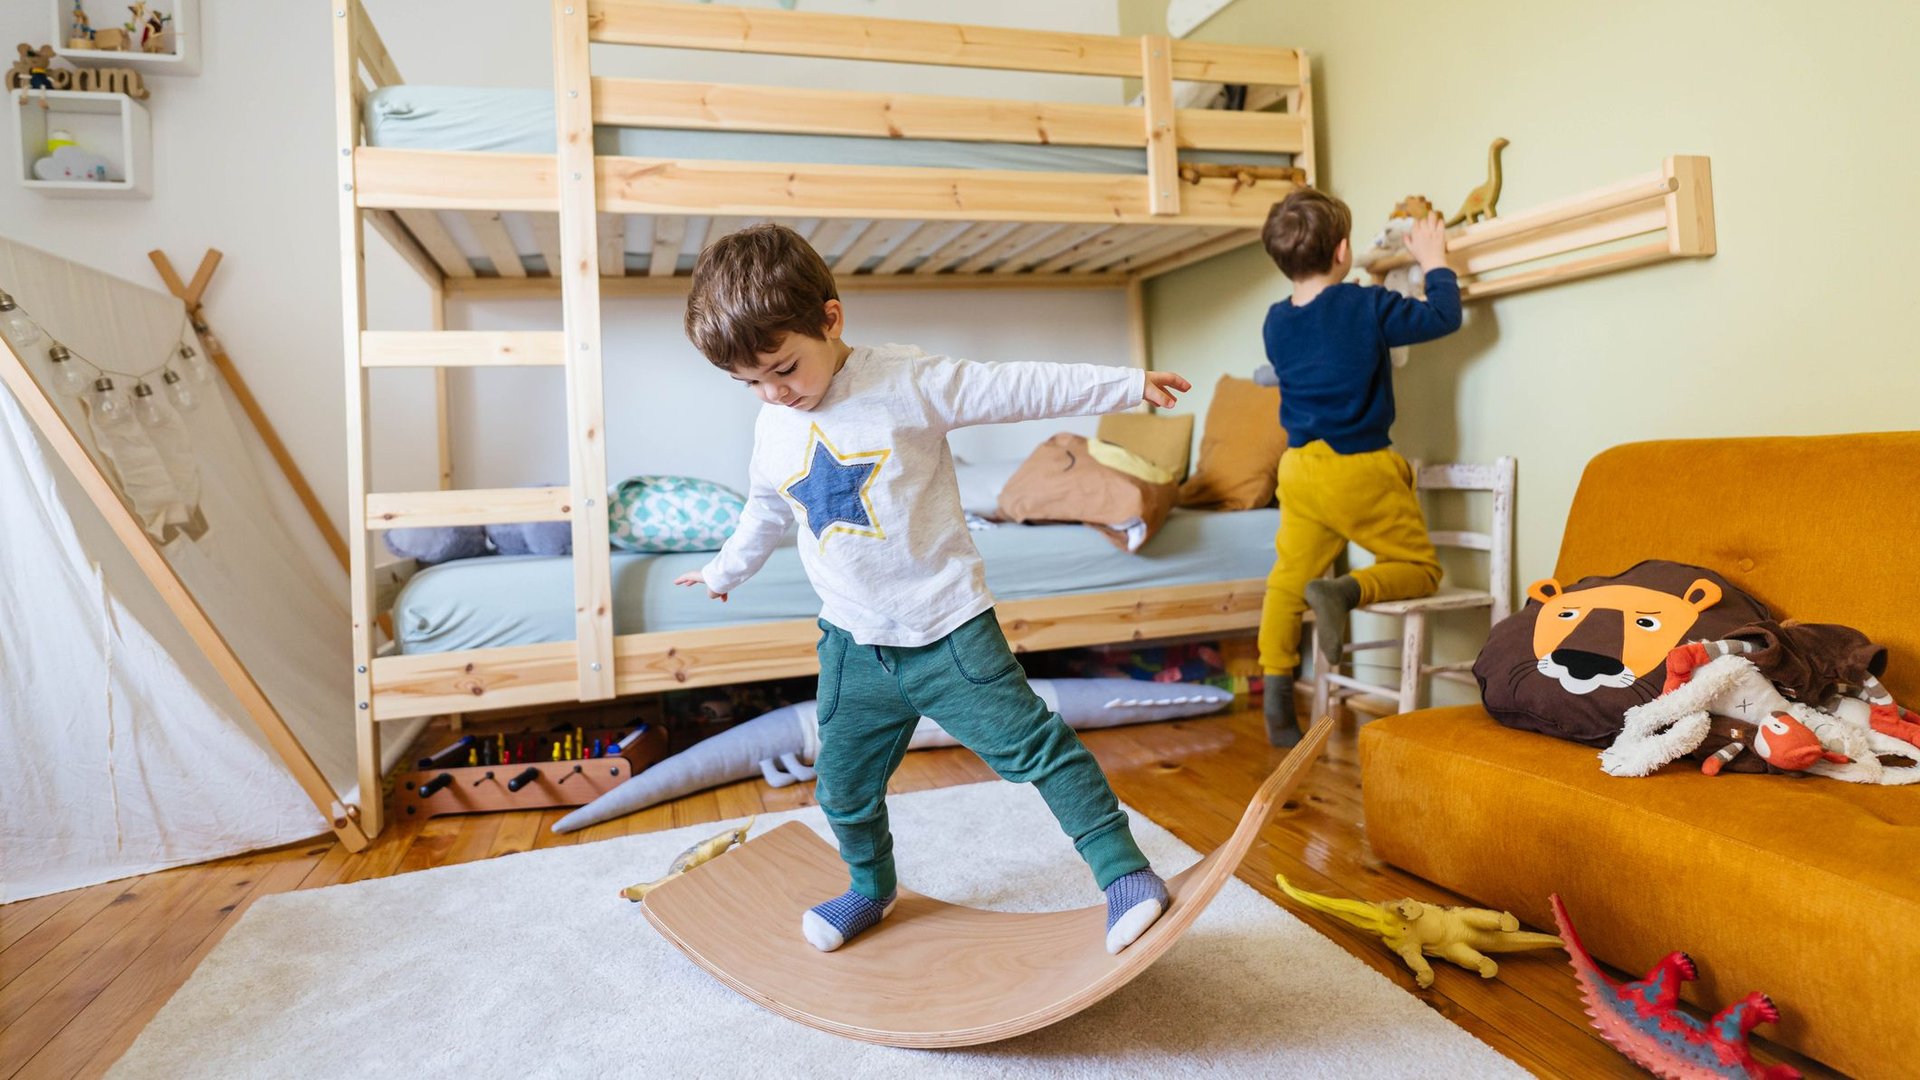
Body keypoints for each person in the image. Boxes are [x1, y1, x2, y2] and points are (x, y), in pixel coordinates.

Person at [676, 224, 1192, 955]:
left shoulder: (905, 383)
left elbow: (1017, 386)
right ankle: (870, 887)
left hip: (947, 632)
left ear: (831, 318)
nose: (773, 392)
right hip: (853, 643)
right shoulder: (773, 425)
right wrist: (726, 571)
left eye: (783, 368)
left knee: (1036, 751)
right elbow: (766, 508)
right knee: (842, 785)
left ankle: (1124, 874)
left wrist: (1125, 384)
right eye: (750, 382)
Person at [1257, 189, 1460, 746]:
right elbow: (1443, 316)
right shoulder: (1364, 306)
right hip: (1359, 467)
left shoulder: (1276, 323)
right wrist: (1434, 260)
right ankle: (1346, 592)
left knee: (1287, 582)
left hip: (1298, 469)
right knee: (1419, 569)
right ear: (1344, 250)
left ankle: (1276, 693)